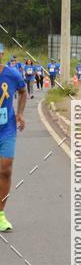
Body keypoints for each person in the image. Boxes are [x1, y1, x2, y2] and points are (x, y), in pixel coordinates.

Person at [0, 43, 27, 231]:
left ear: (2, 55)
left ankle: (0, 214)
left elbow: (23, 91)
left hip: (7, 128)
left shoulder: (12, 74)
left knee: (6, 169)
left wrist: (20, 113)